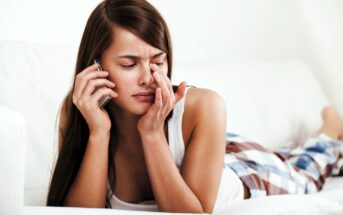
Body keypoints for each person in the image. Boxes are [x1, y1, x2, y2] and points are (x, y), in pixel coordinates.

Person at [46, 0, 343, 213]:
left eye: (158, 62)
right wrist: (99, 132)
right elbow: (78, 212)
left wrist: (151, 134)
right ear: (95, 66)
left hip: (241, 172)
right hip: (214, 152)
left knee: (302, 172)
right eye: (129, 64)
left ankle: (330, 131)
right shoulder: (81, 112)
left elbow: (193, 213)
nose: (149, 78)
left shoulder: (205, 105)